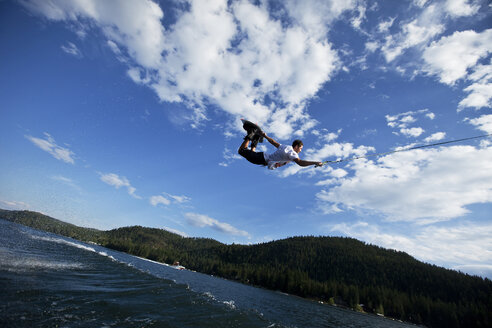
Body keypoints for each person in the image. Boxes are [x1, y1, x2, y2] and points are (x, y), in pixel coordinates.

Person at [238, 122, 323, 170]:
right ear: (296, 146)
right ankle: (251, 134)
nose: (300, 151)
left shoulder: (286, 147)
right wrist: (314, 162)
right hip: (262, 158)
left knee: (252, 153)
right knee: (242, 151)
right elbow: (300, 163)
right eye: (300, 148)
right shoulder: (292, 153)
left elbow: (273, 142)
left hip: (261, 157)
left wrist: (264, 135)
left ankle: (256, 138)